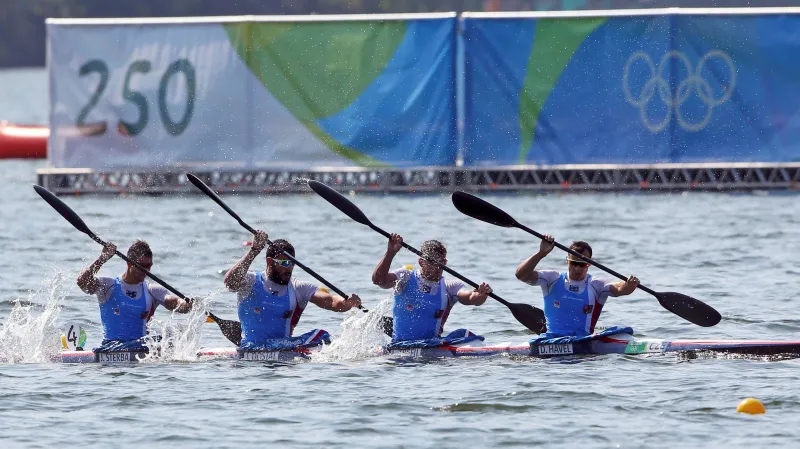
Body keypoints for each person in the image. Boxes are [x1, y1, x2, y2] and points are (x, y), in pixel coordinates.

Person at [224, 230, 361, 350]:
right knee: (321, 336)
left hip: (281, 348)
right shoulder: (250, 281)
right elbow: (229, 282)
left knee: (321, 334)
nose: (289, 268)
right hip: (251, 347)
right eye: (284, 263)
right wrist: (254, 250)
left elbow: (331, 301)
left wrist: (346, 303)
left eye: (292, 263)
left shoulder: (298, 288)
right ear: (270, 262)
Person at [372, 234, 492, 344]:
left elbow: (471, 298)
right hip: (400, 346)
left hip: (432, 347)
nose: (437, 266)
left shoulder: (450, 285)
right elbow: (378, 280)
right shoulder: (405, 277)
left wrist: (481, 295)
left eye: (441, 262)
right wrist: (390, 253)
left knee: (464, 334)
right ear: (421, 262)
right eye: (432, 262)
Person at [77, 240, 193, 350]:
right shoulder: (108, 286)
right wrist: (102, 258)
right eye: (143, 265)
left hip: (141, 351)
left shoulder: (152, 290)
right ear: (129, 262)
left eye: (149, 265)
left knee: (170, 340)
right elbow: (82, 281)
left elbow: (175, 303)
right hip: (110, 348)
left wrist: (188, 304)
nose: (147, 270)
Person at [514, 236, 639, 337]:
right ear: (567, 260)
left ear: (589, 264)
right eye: (573, 263)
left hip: (583, 343)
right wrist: (541, 253)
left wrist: (628, 285)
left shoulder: (596, 285)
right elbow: (521, 275)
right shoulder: (552, 279)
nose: (577, 268)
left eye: (582, 265)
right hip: (552, 341)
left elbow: (618, 288)